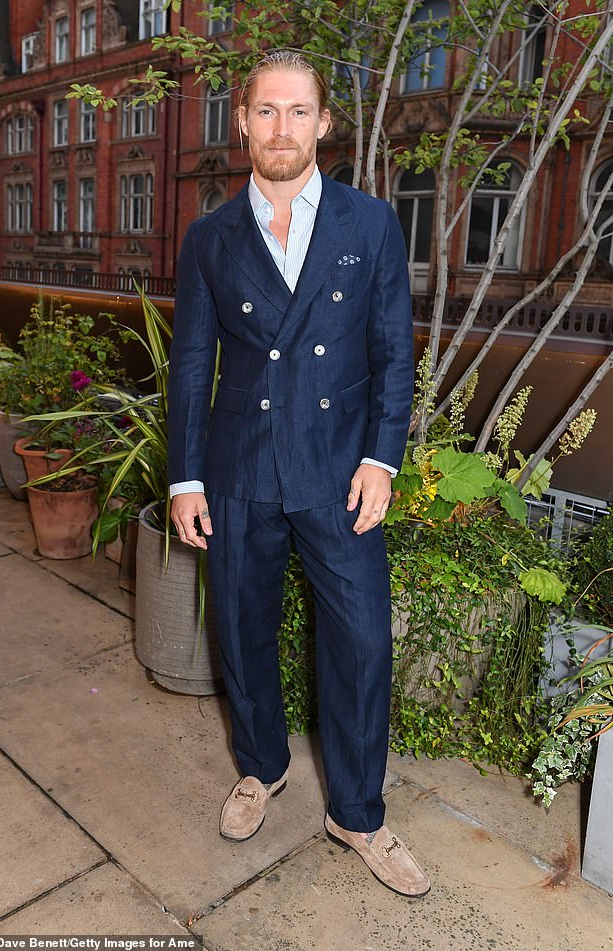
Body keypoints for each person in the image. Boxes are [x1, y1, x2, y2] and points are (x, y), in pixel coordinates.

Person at [168, 51, 429, 898]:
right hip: (240, 468)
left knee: (359, 644)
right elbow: (190, 366)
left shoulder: (371, 224)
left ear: (324, 123)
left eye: (299, 112)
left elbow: (395, 354)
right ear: (241, 121)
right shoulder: (208, 238)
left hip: (340, 472)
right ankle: (262, 766)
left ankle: (357, 811)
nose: (282, 128)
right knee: (240, 633)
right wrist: (185, 479)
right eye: (266, 111)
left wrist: (384, 457)